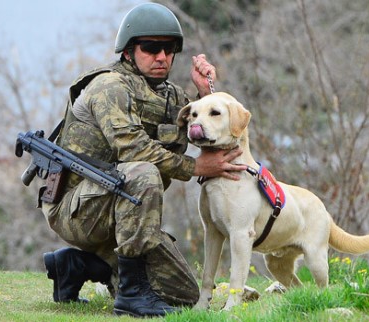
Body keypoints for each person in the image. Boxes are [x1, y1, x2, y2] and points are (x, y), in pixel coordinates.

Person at [40, 3, 246, 318]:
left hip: (124, 213)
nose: (161, 56)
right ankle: (131, 297)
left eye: (168, 48)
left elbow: (206, 125)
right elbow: (132, 150)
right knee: (143, 172)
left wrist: (204, 93)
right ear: (128, 51)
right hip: (78, 208)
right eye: (150, 48)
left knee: (184, 294)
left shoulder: (171, 96)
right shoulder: (109, 87)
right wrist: (195, 168)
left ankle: (77, 266)